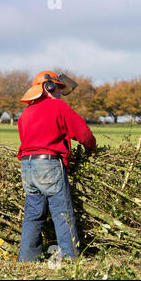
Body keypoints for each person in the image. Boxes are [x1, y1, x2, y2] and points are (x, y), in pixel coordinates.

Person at [16, 70, 96, 262]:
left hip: (27, 166)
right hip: (49, 165)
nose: (60, 92)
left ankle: (27, 258)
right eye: (58, 88)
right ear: (48, 87)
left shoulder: (25, 114)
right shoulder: (58, 107)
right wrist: (91, 147)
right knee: (62, 213)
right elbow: (83, 134)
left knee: (33, 215)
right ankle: (70, 258)